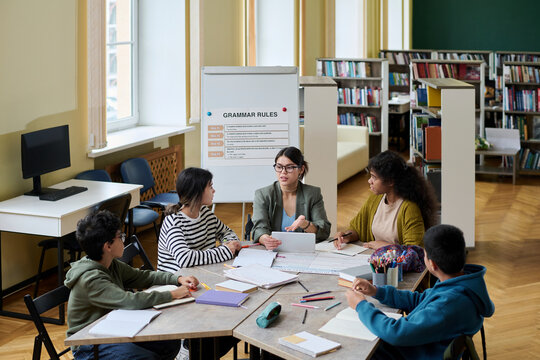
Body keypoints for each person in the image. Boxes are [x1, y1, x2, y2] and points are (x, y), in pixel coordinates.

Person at [65, 210, 199, 360]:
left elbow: (143, 276)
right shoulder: (90, 279)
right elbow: (129, 301)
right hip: (89, 344)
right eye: (120, 237)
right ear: (107, 246)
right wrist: (172, 294)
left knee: (169, 343)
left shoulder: (110, 264)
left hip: (112, 327)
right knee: (146, 357)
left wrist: (177, 279)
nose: (124, 239)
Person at [346, 224, 495, 359]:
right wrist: (377, 291)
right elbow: (420, 299)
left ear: (432, 264)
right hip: (418, 347)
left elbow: (396, 333)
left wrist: (361, 306)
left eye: (424, 254)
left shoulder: (448, 304)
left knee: (355, 349)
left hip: (410, 353)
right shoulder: (462, 283)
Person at [334, 150, 437, 250]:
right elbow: (358, 228)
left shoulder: (409, 209)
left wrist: (386, 247)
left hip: (395, 266)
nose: (369, 181)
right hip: (373, 260)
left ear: (390, 181)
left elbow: (414, 252)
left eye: (374, 177)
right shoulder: (375, 199)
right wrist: (347, 236)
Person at [157, 167, 242, 272]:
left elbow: (225, 233)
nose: (214, 190)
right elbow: (185, 258)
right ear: (197, 192)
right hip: (177, 281)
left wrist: (228, 242)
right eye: (210, 187)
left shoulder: (205, 212)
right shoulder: (173, 222)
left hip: (202, 272)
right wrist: (225, 251)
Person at [252, 146, 331, 250]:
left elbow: (324, 230)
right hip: (273, 252)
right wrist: (265, 239)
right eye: (279, 167)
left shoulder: (312, 194)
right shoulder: (263, 194)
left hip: (303, 252)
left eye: (289, 167)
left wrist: (305, 224)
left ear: (301, 169)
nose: (283, 172)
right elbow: (259, 229)